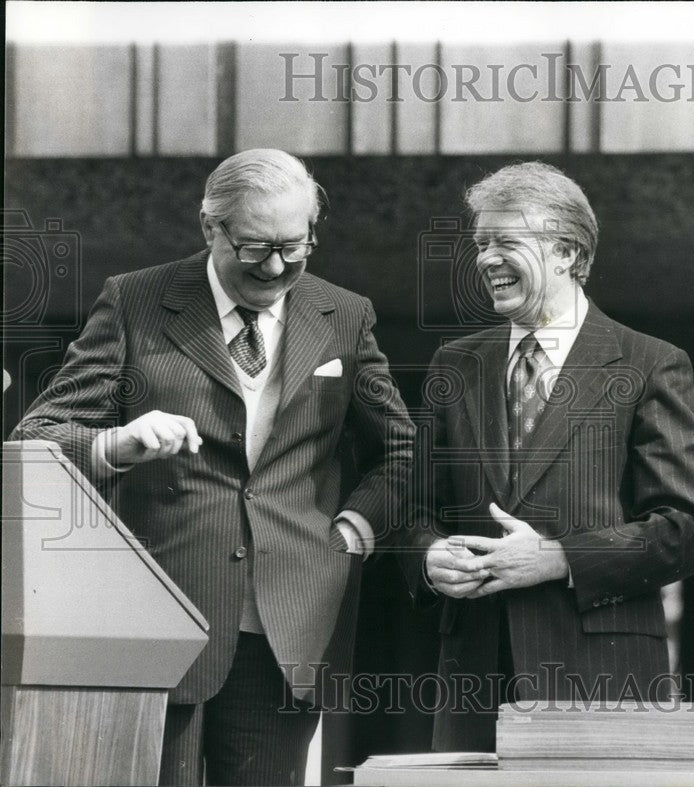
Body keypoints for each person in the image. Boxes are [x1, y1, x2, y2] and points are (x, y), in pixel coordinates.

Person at [12, 149, 415, 786]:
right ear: (210, 227)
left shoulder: (345, 314)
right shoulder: (135, 301)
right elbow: (36, 436)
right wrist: (117, 443)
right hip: (157, 614)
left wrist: (349, 536)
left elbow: (400, 453)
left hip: (290, 621)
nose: (277, 267)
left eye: (295, 245)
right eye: (255, 247)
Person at [400, 162, 694, 751]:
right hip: (474, 677)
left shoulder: (650, 364)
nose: (486, 260)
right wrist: (428, 556)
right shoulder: (454, 366)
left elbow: (685, 530)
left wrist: (557, 557)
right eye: (481, 244)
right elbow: (416, 511)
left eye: (505, 243)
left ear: (567, 251)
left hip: (603, 677)